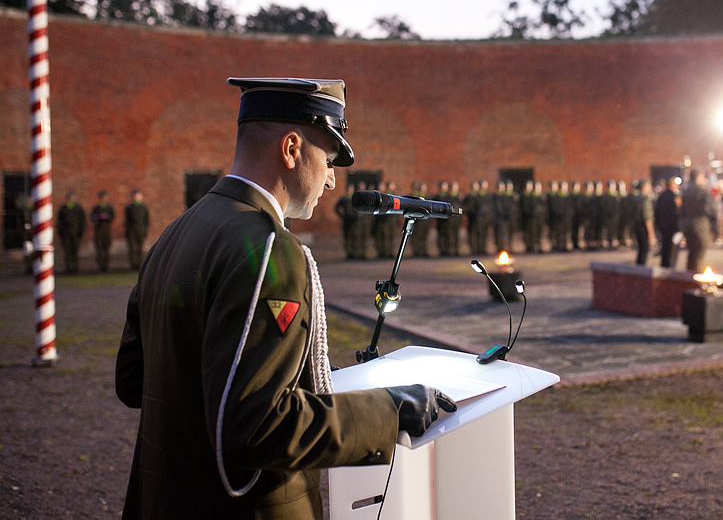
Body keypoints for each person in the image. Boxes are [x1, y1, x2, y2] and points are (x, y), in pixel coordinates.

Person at [114, 78, 453, 519]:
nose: (332, 180)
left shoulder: (178, 232)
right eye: (328, 159)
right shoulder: (268, 249)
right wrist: (388, 411)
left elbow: (134, 378)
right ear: (292, 148)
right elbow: (258, 425)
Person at [680, 169, 715, 272]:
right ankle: (696, 276)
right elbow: (709, 209)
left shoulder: (686, 192)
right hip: (700, 223)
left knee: (691, 252)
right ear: (698, 177)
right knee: (699, 251)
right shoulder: (701, 191)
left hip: (687, 223)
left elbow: (682, 210)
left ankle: (689, 275)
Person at [56, 190, 87, 274]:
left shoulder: (78, 208)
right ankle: (68, 267)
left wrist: (81, 231)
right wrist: (61, 233)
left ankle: (75, 267)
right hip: (66, 233)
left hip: (76, 233)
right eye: (70, 197)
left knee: (75, 251)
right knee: (67, 251)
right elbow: (60, 222)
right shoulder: (63, 208)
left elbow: (82, 221)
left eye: (72, 197)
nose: (71, 198)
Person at [654, 178, 679, 268]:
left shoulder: (661, 196)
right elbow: (676, 212)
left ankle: (664, 264)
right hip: (671, 226)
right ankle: (669, 266)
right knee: (671, 248)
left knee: (664, 246)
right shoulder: (674, 196)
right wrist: (678, 227)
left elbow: (656, 211)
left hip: (662, 225)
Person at [124, 189, 150, 270]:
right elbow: (127, 220)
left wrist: (145, 229)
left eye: (138, 195)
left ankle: (140, 264)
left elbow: (146, 220)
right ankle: (133, 264)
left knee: (140, 247)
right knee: (132, 247)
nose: (137, 197)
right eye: (135, 196)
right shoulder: (129, 207)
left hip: (141, 229)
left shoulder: (144, 207)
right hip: (132, 229)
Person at [633, 180, 656, 265]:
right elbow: (647, 218)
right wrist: (651, 233)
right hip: (643, 227)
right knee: (644, 250)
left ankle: (639, 267)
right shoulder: (645, 199)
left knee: (641, 249)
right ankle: (641, 270)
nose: (650, 188)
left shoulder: (636, 198)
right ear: (644, 187)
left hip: (637, 226)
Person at [91, 190, 115, 272]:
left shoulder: (109, 208)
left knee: (106, 248)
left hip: (106, 231)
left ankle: (106, 265)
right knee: (99, 248)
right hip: (99, 231)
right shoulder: (96, 208)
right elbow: (92, 218)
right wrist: (98, 217)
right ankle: (100, 265)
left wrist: (107, 217)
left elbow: (112, 217)